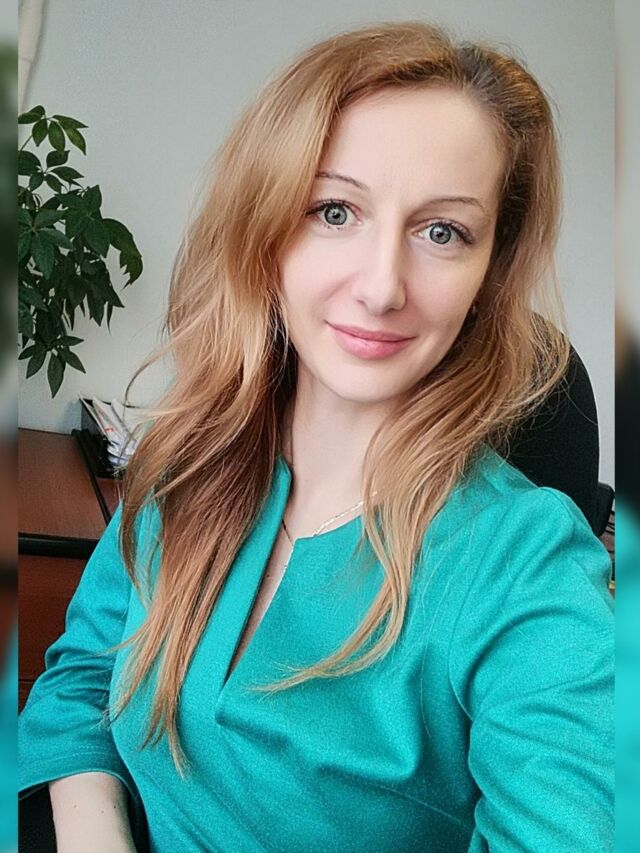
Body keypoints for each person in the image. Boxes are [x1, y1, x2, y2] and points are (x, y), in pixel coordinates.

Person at [19, 21, 614, 852]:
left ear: (490, 271)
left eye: (442, 231)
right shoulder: (189, 461)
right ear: (266, 234)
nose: (381, 286)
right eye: (335, 211)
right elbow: (82, 679)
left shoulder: (526, 565)